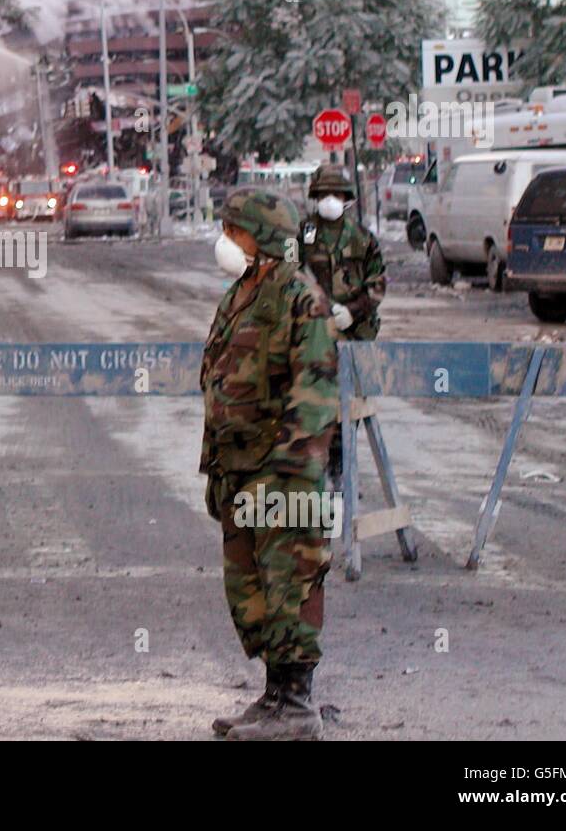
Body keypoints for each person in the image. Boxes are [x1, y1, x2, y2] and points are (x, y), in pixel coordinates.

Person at [200, 187, 339, 740]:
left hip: (280, 474)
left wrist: (290, 472)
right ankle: (276, 696)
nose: (225, 239)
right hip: (239, 470)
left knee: (289, 586)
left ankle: (298, 708)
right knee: (250, 591)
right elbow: (219, 378)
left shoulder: (300, 297)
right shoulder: (242, 292)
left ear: (260, 236)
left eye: (234, 229)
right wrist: (216, 468)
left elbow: (316, 390)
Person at [300, 164, 386, 486]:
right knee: (317, 401)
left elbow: (377, 284)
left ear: (347, 198)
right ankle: (321, 467)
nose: (330, 200)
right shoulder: (304, 234)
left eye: (336, 194)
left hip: (355, 331)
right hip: (316, 333)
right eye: (324, 194)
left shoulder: (362, 238)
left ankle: (342, 465)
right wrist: (317, 308)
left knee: (350, 405)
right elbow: (289, 276)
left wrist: (353, 311)